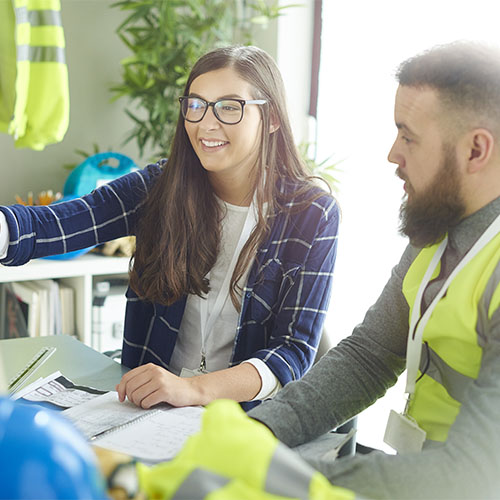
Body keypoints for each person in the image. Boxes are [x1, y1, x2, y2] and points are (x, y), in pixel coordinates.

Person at [0, 45, 339, 411]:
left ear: (271, 117)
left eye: (229, 107)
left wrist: (193, 389)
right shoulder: (160, 187)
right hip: (147, 411)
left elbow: (293, 352)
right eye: (196, 105)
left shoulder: (312, 215)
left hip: (244, 423)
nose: (207, 124)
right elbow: (56, 224)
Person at [248, 40, 500, 499]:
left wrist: (275, 475)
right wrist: (257, 433)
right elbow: (368, 357)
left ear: (475, 150)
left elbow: (477, 474)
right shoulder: (441, 233)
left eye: (409, 136)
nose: (392, 154)